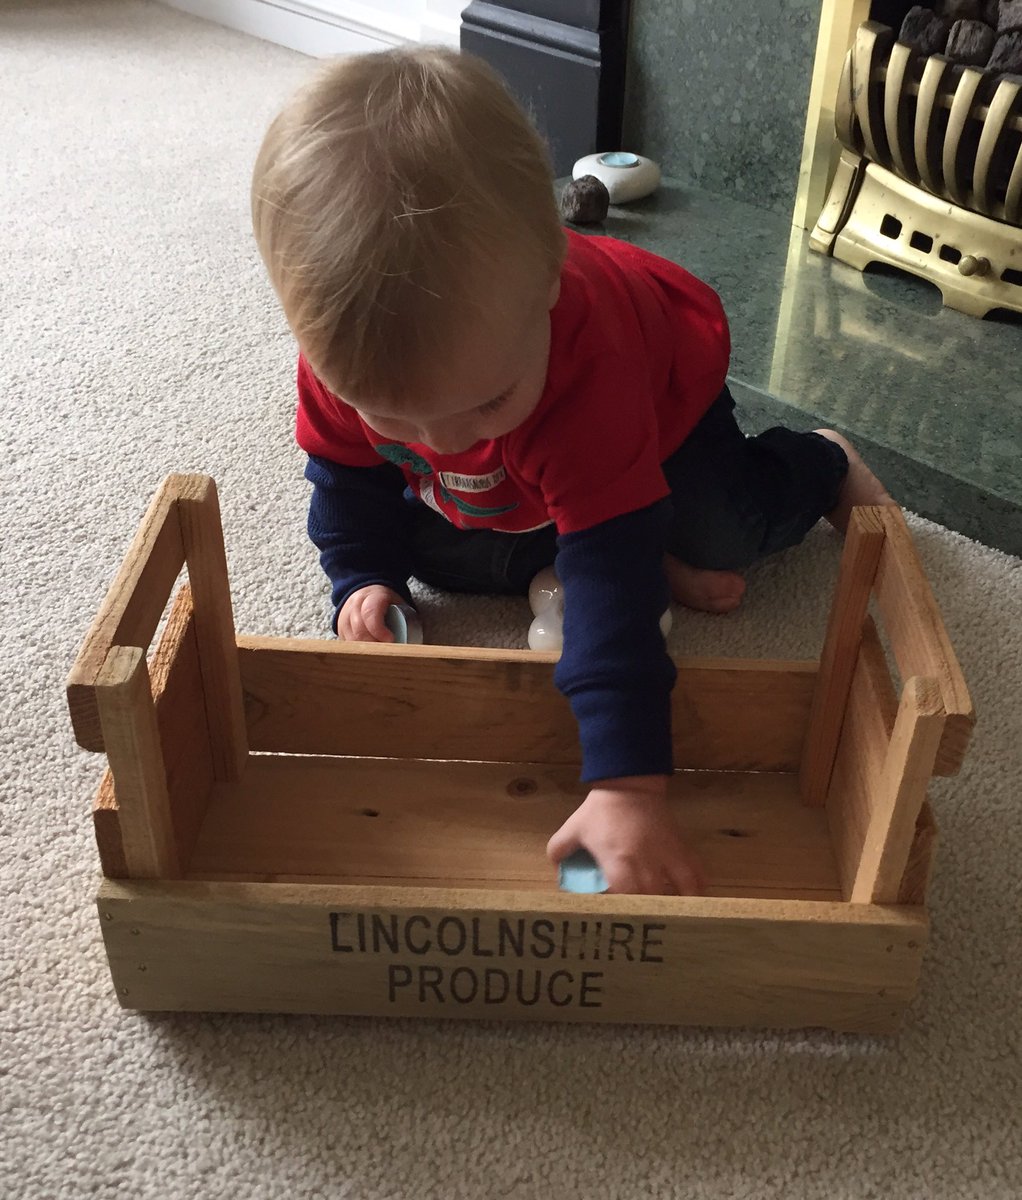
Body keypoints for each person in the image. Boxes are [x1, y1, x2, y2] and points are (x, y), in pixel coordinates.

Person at [250, 46, 894, 897]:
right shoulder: (349, 370)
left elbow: (613, 580)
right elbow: (345, 480)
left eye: (485, 402)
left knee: (720, 532)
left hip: (656, 410)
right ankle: (587, 532)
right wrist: (363, 576)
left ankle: (820, 460)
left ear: (551, 281)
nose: (441, 440)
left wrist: (627, 788)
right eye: (393, 419)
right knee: (433, 546)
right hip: (541, 464)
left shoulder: (588, 367)